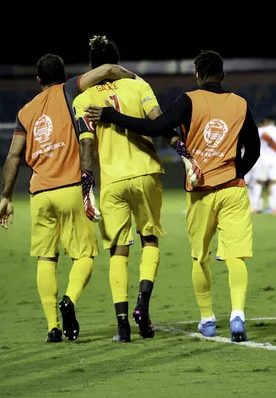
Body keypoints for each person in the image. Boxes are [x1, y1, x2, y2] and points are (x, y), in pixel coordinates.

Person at [85, 50, 260, 342]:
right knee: (236, 256)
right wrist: (235, 170)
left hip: (201, 191)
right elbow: (253, 149)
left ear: (198, 75)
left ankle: (207, 319)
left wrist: (111, 115)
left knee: (199, 257)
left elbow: (157, 127)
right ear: (223, 75)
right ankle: (238, 316)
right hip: (233, 189)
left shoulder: (188, 100)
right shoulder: (240, 104)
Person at [0, 54, 137, 342]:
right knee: (84, 255)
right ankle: (69, 300)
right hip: (72, 187)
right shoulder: (70, 89)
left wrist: (6, 197)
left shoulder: (25, 112)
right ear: (63, 75)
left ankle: (52, 327)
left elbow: (14, 155)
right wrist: (136, 82)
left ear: (38, 81)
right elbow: (109, 69)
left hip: (39, 194)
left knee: (46, 259)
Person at [72, 35, 200, 342]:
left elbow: (87, 146)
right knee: (150, 240)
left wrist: (86, 183)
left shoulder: (82, 100)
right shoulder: (138, 86)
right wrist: (182, 151)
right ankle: (142, 305)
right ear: (117, 62)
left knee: (119, 250)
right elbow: (159, 122)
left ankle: (122, 325)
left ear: (92, 67)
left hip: (113, 181)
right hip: (145, 174)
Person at [252, 115, 276, 214]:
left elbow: (251, 143)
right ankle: (273, 208)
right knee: (274, 182)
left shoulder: (260, 131)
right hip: (275, 160)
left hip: (262, 160)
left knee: (259, 182)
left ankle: (255, 207)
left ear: (266, 120)